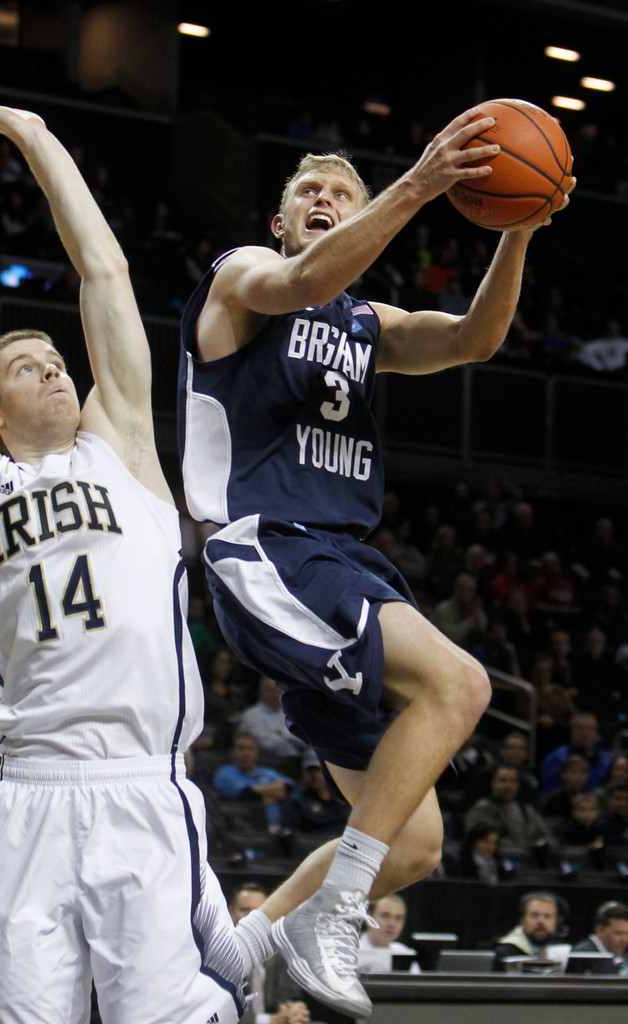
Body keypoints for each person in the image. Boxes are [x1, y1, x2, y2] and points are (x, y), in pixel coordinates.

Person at [178, 104, 573, 1016]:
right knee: (463, 685)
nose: (325, 199)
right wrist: (422, 181)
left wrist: (515, 231)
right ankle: (334, 918)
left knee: (414, 843)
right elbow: (304, 278)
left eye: (341, 192)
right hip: (265, 548)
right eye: (309, 193)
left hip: (340, 560)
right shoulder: (241, 275)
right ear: (280, 221)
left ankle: (241, 951)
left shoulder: (366, 324)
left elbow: (474, 339)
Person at [0, 101, 242, 1024]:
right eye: (27, 365)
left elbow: (103, 267)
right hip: (27, 796)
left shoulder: (120, 444)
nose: (54, 370)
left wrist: (38, 140)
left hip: (138, 782)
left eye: (57, 359)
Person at [229, 882, 310, 1024]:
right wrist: (268, 1021)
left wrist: (293, 1010)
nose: (251, 919)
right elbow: (223, 1013)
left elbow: (284, 1000)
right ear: (231, 912)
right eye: (244, 910)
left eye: (258, 912)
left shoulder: (282, 955)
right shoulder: (220, 959)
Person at [213, 731, 294, 829]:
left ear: (257, 753)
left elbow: (289, 788)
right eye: (241, 748)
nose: (246, 753)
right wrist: (275, 794)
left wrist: (260, 792)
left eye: (250, 749)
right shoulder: (224, 773)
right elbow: (248, 795)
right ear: (232, 752)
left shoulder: (267, 772)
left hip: (277, 828)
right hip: (244, 829)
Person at [464, 764, 556, 849]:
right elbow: (475, 840)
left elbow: (549, 837)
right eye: (502, 781)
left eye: (513, 781)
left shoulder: (527, 809)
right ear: (492, 783)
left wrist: (541, 845)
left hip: (529, 861)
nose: (508, 786)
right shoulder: (482, 808)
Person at [540, 711, 613, 795]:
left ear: (596, 732)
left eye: (590, 729)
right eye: (580, 728)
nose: (585, 733)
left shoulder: (606, 759)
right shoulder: (557, 757)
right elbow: (548, 791)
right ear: (572, 731)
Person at [239, 676, 309, 761]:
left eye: (277, 691)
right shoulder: (251, 715)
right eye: (270, 691)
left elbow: (304, 739)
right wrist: (291, 743)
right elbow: (265, 743)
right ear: (261, 691)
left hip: (298, 758)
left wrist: (280, 734)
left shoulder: (289, 712)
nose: (275, 694)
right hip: (267, 761)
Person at [492, 892, 565, 970]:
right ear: (522, 920)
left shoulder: (562, 951)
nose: (541, 921)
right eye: (534, 915)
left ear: (556, 922)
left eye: (547, 916)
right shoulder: (506, 952)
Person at [358, 893, 419, 973]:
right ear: (369, 918)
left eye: (398, 918)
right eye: (385, 916)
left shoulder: (404, 953)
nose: (392, 924)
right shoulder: (351, 951)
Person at [570, 900, 628, 973]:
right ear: (599, 930)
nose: (624, 940)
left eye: (627, 934)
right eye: (618, 933)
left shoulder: (623, 956)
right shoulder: (583, 955)